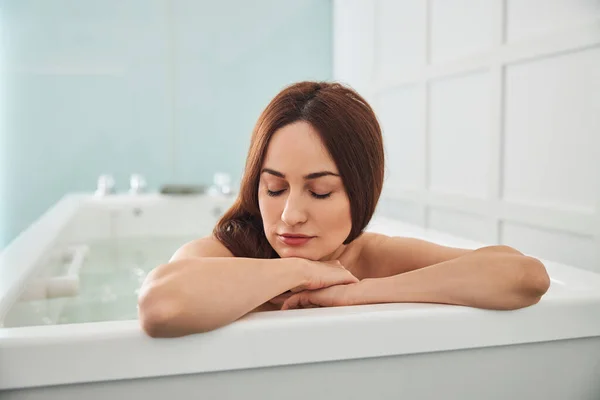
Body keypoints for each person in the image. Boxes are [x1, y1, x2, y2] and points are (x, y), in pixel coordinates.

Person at [138, 81, 550, 338]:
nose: (290, 215)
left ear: (361, 192)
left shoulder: (369, 257)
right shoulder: (228, 252)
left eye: (319, 192)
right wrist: (304, 271)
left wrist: (360, 293)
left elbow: (524, 276)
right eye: (275, 188)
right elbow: (160, 305)